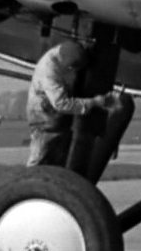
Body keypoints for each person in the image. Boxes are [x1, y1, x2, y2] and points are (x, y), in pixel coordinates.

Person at [27, 32, 133, 179]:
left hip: (59, 118)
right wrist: (94, 102)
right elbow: (61, 104)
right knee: (41, 156)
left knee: (59, 158)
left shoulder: (64, 55)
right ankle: (31, 184)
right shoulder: (49, 72)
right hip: (45, 117)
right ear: (70, 67)